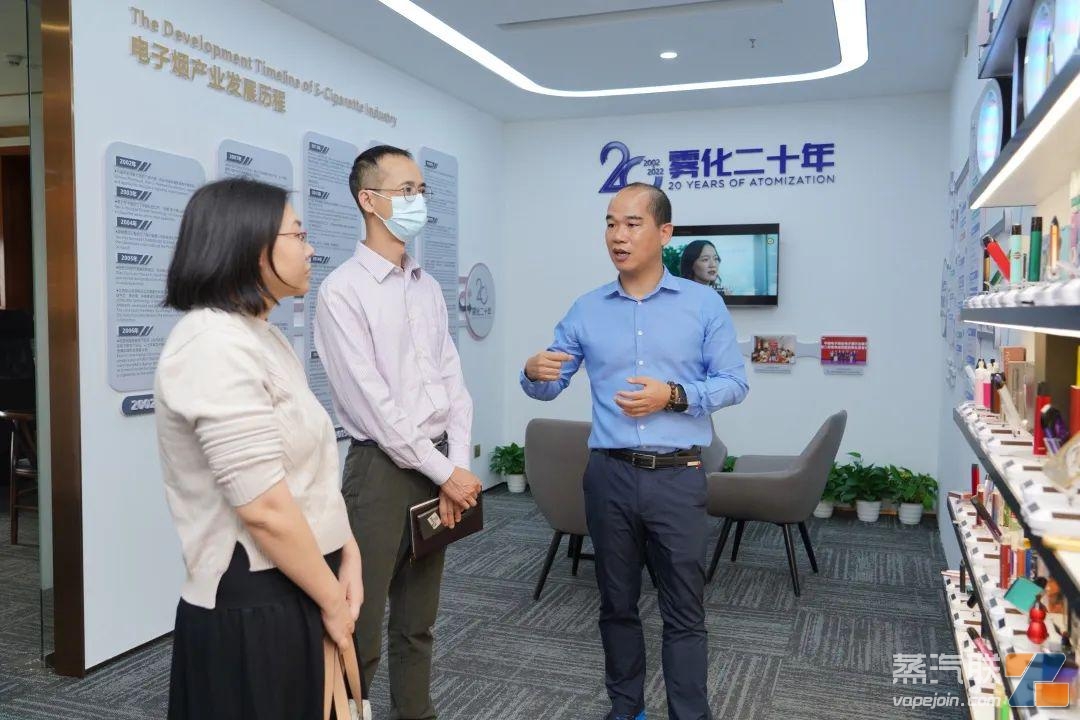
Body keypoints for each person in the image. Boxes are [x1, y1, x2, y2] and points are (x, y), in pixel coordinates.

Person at [521, 182, 748, 720]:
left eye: (631, 224)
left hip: (678, 476)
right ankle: (626, 710)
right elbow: (550, 384)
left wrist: (674, 396)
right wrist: (533, 373)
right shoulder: (586, 309)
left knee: (684, 610)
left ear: (664, 233)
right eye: (610, 223)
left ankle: (689, 714)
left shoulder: (703, 304)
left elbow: (734, 383)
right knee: (616, 605)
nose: (617, 236)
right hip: (609, 477)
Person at [155, 178, 362, 720]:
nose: (310, 249)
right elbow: (263, 507)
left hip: (299, 582)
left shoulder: (260, 335)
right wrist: (332, 600)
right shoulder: (211, 343)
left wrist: (348, 551)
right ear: (251, 248)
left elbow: (305, 475)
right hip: (256, 601)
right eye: (298, 234)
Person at [314, 144, 481, 719]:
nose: (418, 201)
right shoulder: (342, 291)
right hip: (382, 472)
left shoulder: (425, 286)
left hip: (438, 468)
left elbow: (453, 383)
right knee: (357, 625)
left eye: (421, 190)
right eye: (406, 190)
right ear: (369, 199)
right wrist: (445, 472)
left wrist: (457, 467)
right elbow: (375, 406)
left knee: (418, 623)